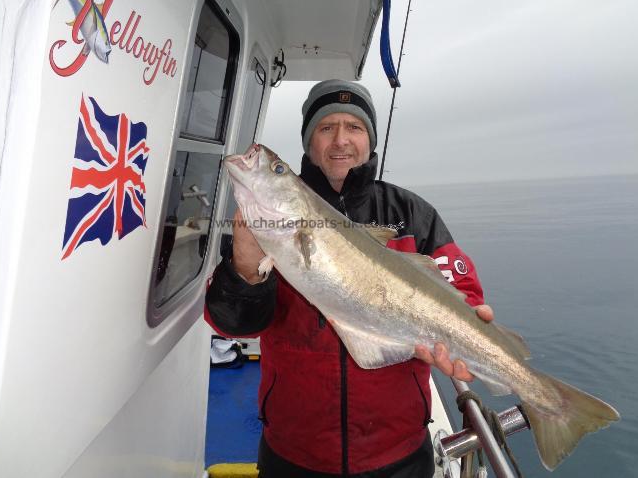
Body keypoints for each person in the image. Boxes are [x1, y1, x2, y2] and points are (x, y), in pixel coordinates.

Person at [205, 80, 494, 477]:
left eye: (354, 127)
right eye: (326, 128)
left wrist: (475, 325)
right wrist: (244, 268)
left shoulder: (411, 214)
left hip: (398, 452)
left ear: (369, 140)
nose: (340, 140)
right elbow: (232, 324)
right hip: (294, 451)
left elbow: (461, 291)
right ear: (309, 142)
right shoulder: (260, 225)